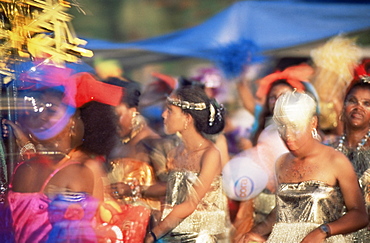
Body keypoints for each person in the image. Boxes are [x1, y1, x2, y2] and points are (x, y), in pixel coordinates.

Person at [239, 91, 368, 243]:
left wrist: (323, 231)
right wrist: (253, 233)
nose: (287, 135)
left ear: (313, 123)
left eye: (294, 126)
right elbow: (284, 210)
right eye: (281, 126)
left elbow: (360, 215)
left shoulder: (336, 160)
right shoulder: (281, 162)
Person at [233, 63, 315, 241]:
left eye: (283, 95)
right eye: (272, 97)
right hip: (258, 201)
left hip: (286, 204)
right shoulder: (263, 128)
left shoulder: (307, 132)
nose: (277, 100)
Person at [144, 85, 230, 243]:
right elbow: (172, 191)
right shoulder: (174, 153)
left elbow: (190, 202)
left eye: (170, 111)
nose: (163, 115)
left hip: (200, 237)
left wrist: (154, 234)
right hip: (172, 233)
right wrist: (135, 191)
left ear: (187, 118)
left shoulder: (210, 154)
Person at [333, 66, 370, 242]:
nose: (358, 107)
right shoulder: (327, 148)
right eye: (352, 101)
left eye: (367, 103)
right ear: (343, 106)